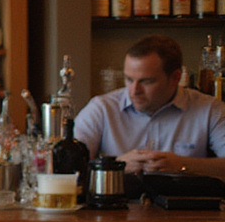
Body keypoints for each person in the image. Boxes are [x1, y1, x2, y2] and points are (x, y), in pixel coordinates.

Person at [74, 34, 225, 180]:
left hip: (184, 204)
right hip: (118, 203)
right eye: (129, 79)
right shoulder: (102, 108)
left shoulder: (210, 110)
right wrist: (116, 166)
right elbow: (69, 168)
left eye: (146, 81)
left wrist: (183, 164)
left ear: (175, 78)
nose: (134, 91)